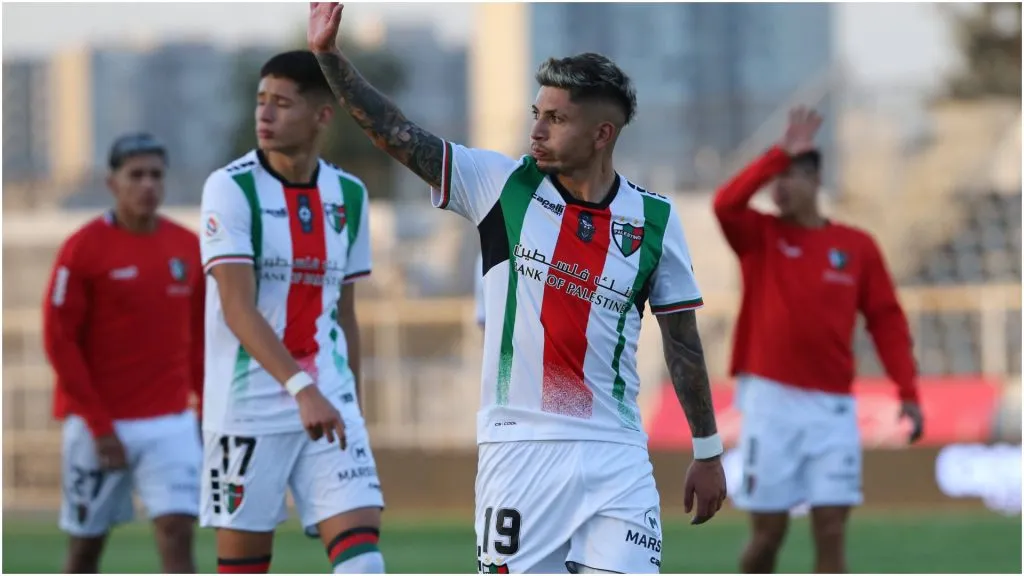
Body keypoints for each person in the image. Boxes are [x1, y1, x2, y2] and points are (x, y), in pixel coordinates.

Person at [308, 4, 727, 573]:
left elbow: (682, 341)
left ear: (602, 134)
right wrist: (331, 58)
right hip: (520, 452)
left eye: (555, 118)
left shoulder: (654, 219)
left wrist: (706, 450)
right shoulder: (500, 187)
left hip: (617, 456)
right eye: (537, 113)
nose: (536, 129)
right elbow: (396, 133)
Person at [712, 107, 925, 574]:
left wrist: (908, 392)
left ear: (814, 180)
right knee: (768, 537)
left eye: (789, 176)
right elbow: (725, 204)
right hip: (771, 404)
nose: (778, 187)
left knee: (831, 531)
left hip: (833, 410)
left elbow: (887, 321)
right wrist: (776, 154)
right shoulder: (759, 236)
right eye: (775, 178)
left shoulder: (857, 247)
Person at [198, 50, 383, 574]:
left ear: (322, 116)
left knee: (363, 563)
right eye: (261, 101)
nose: (265, 114)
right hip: (248, 409)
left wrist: (353, 405)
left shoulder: (349, 194)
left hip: (329, 402)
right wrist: (303, 390)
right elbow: (237, 307)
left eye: (281, 103)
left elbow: (344, 311)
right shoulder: (229, 189)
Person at [43, 133, 204, 573]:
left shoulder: (187, 247)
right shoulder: (82, 249)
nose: (147, 185)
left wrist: (205, 408)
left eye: (156, 175)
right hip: (98, 425)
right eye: (136, 175)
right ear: (112, 183)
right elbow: (59, 341)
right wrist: (99, 426)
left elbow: (199, 338)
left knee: (176, 531)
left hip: (170, 423)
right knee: (86, 546)